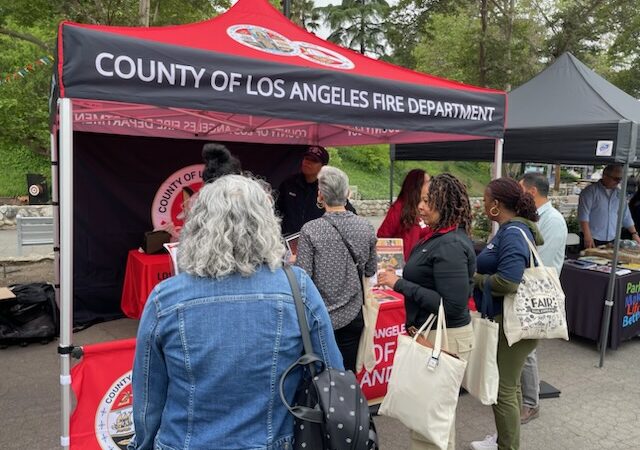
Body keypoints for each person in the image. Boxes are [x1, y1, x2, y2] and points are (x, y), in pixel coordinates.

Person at [128, 175, 343, 450]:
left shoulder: (166, 298)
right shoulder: (297, 287)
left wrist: (144, 444)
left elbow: (148, 396)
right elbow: (331, 373)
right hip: (274, 441)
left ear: (198, 226)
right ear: (266, 224)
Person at [377, 173, 476, 450]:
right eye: (421, 199)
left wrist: (400, 284)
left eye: (428, 201)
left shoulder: (450, 245)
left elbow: (452, 305)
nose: (420, 206)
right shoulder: (438, 237)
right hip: (433, 334)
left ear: (444, 204)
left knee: (429, 425)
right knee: (431, 422)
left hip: (443, 337)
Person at [470, 177, 543, 450]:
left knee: (505, 392)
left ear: (496, 204)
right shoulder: (511, 230)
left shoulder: (513, 232)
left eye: (486, 199)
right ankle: (503, 440)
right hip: (510, 321)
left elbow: (509, 281)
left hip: (511, 322)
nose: (483, 203)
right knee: (507, 388)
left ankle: (507, 446)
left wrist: (476, 279)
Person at [296, 166, 377, 372]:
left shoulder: (310, 230)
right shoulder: (365, 226)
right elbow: (370, 270)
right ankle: (347, 403)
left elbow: (303, 279)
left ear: (320, 195)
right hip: (354, 312)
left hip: (319, 316)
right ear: (347, 193)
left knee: (321, 376)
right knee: (347, 375)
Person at [518, 173, 568, 425]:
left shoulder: (554, 221)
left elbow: (539, 260)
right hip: (526, 289)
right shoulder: (536, 217)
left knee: (527, 349)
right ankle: (522, 397)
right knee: (520, 347)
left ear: (532, 192)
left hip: (537, 291)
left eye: (520, 190)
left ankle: (531, 403)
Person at [276, 145, 356, 235]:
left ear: (323, 166)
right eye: (306, 158)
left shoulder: (328, 187)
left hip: (318, 242)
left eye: (314, 160)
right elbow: (277, 211)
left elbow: (348, 212)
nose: (307, 162)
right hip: (289, 240)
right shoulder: (288, 184)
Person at [578, 164, 640, 248]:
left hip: (612, 238)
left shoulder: (619, 193)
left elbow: (625, 216)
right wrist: (587, 235)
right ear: (605, 176)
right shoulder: (590, 192)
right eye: (615, 179)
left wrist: (634, 233)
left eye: (620, 179)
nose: (618, 182)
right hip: (592, 237)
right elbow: (583, 215)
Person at [377, 169, 431, 261]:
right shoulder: (399, 208)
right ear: (416, 185)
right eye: (426, 182)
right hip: (404, 265)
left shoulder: (428, 207)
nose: (430, 186)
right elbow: (383, 235)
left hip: (423, 262)